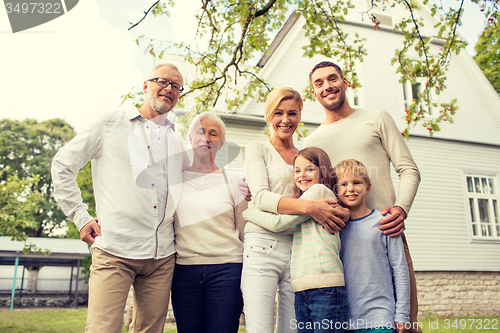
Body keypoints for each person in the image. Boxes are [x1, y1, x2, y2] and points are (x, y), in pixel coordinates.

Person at [304, 61, 421, 333]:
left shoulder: (376, 118)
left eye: (333, 79)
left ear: (346, 83)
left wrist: (400, 209)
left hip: (385, 232)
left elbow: (409, 169)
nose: (327, 86)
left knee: (404, 322)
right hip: (339, 244)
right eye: (319, 83)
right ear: (313, 93)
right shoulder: (313, 141)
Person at [242, 87, 345, 333]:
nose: (286, 120)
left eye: (292, 113)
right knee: (260, 328)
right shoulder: (258, 148)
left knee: (291, 329)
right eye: (278, 113)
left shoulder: (304, 157)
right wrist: (311, 208)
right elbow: (261, 197)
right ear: (269, 115)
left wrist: (341, 210)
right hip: (261, 245)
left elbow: (323, 190)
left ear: (300, 115)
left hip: (298, 250)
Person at [171, 112, 247, 333]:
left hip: (227, 272)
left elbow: (245, 233)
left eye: (213, 134)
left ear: (221, 143)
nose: (206, 138)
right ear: (190, 137)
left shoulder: (234, 183)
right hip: (184, 273)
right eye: (200, 132)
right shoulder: (174, 181)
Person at [335, 159, 410, 333]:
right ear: (335, 190)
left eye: (357, 183)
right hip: (342, 320)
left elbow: (400, 270)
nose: (351, 189)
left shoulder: (385, 223)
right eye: (343, 184)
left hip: (380, 318)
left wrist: (403, 315)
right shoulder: (334, 228)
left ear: (368, 187)